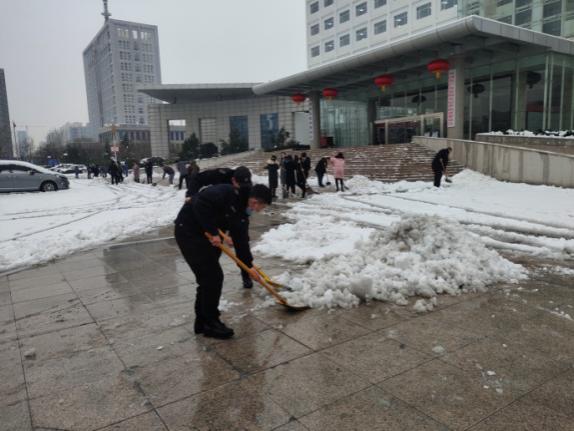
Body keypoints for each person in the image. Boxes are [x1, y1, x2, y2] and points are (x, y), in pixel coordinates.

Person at [174, 183, 272, 339]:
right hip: (189, 231)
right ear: (255, 202)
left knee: (208, 278)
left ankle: (202, 322)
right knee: (212, 277)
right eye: (261, 207)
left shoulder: (242, 212)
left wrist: (248, 267)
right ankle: (210, 323)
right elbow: (199, 203)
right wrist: (213, 232)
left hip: (209, 236)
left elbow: (241, 241)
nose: (258, 211)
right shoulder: (225, 192)